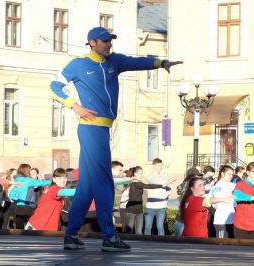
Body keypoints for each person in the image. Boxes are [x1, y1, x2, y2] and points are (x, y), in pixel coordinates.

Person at [49, 26, 182, 251]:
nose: (109, 44)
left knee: (87, 187)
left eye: (110, 40)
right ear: (92, 43)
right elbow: (54, 86)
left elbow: (137, 62)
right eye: (104, 41)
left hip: (102, 130)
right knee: (105, 183)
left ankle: (71, 235)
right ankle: (110, 237)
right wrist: (74, 105)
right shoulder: (79, 64)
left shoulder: (114, 62)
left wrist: (162, 63)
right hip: (90, 128)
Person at [8, 164, 52, 229]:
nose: (30, 172)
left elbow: (11, 195)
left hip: (19, 207)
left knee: (19, 229)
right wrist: (52, 182)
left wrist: (19, 200)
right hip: (28, 206)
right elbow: (41, 183)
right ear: (26, 170)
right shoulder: (27, 180)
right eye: (30, 170)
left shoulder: (18, 180)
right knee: (31, 228)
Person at [125, 166, 165, 235]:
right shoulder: (135, 183)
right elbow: (149, 186)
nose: (142, 175)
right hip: (131, 210)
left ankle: (140, 245)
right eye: (140, 173)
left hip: (139, 210)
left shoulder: (137, 183)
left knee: (139, 232)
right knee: (129, 232)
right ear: (135, 174)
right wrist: (162, 185)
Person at [144, 158, 171, 236]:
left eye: (161, 166)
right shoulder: (150, 177)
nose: (161, 167)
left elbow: (168, 188)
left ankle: (161, 242)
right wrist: (165, 183)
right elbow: (154, 182)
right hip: (150, 206)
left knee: (160, 226)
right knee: (148, 227)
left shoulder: (164, 177)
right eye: (159, 165)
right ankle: (146, 243)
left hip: (161, 205)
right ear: (154, 165)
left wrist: (166, 197)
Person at [208, 165, 236, 238]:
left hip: (226, 218)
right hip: (222, 220)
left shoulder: (214, 186)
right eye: (229, 174)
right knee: (222, 244)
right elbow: (208, 201)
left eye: (232, 174)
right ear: (222, 174)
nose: (231, 176)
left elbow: (208, 201)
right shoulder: (230, 185)